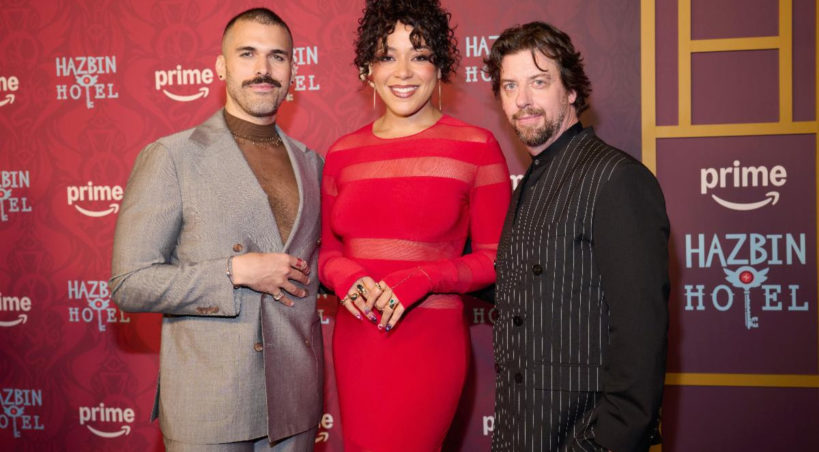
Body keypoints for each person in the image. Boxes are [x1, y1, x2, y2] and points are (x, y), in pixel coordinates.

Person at [109, 8, 323, 451]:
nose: (263, 69)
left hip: (295, 404)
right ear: (221, 67)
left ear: (292, 71)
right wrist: (234, 271)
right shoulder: (172, 157)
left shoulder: (313, 164)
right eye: (247, 54)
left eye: (277, 56)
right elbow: (130, 283)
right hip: (209, 405)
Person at [318, 0, 511, 450]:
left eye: (419, 55)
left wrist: (424, 277)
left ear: (439, 66)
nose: (402, 72)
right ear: (368, 69)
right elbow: (327, 252)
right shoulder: (341, 153)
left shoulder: (476, 147)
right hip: (357, 342)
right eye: (387, 56)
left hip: (429, 345)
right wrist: (345, 275)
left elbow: (496, 259)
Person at [485, 22, 670, 452]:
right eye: (510, 86)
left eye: (538, 82)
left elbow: (641, 338)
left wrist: (606, 444)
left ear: (571, 90)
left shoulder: (617, 179)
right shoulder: (528, 184)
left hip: (581, 439)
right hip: (521, 435)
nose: (522, 99)